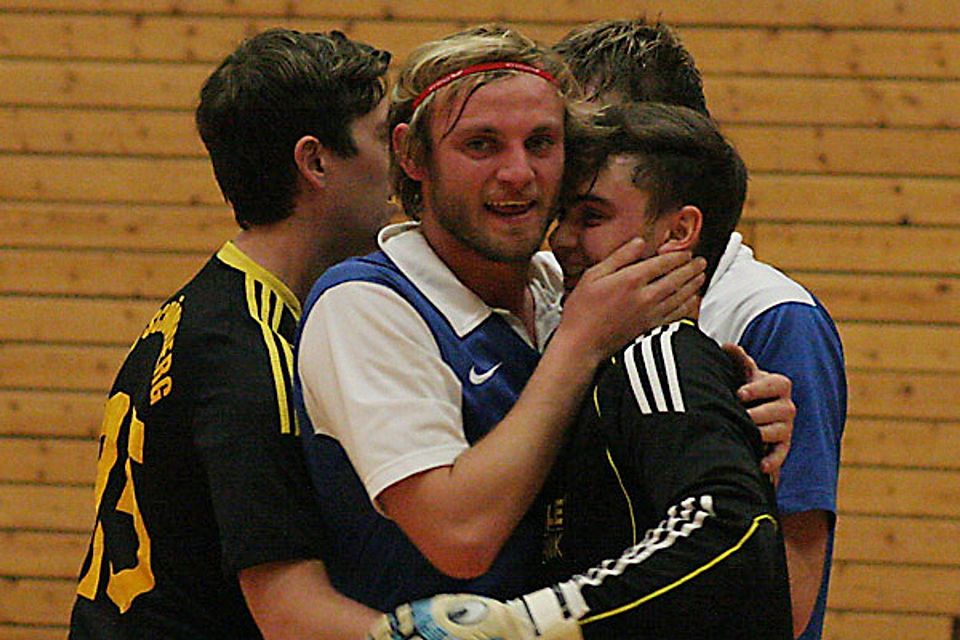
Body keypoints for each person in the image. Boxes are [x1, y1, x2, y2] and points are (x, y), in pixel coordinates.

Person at [295, 24, 792, 617]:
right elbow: (460, 536)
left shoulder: (565, 289)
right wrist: (579, 344)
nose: (518, 173)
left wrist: (740, 414)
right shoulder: (365, 304)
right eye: (481, 145)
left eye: (541, 143)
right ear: (411, 154)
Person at [69, 28, 393, 639]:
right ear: (316, 161)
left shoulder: (203, 308)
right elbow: (293, 617)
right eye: (381, 137)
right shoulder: (249, 354)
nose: (401, 162)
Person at [553, 19, 847, 639]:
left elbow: (786, 596)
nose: (565, 157)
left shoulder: (770, 317)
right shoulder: (565, 290)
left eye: (592, 135)